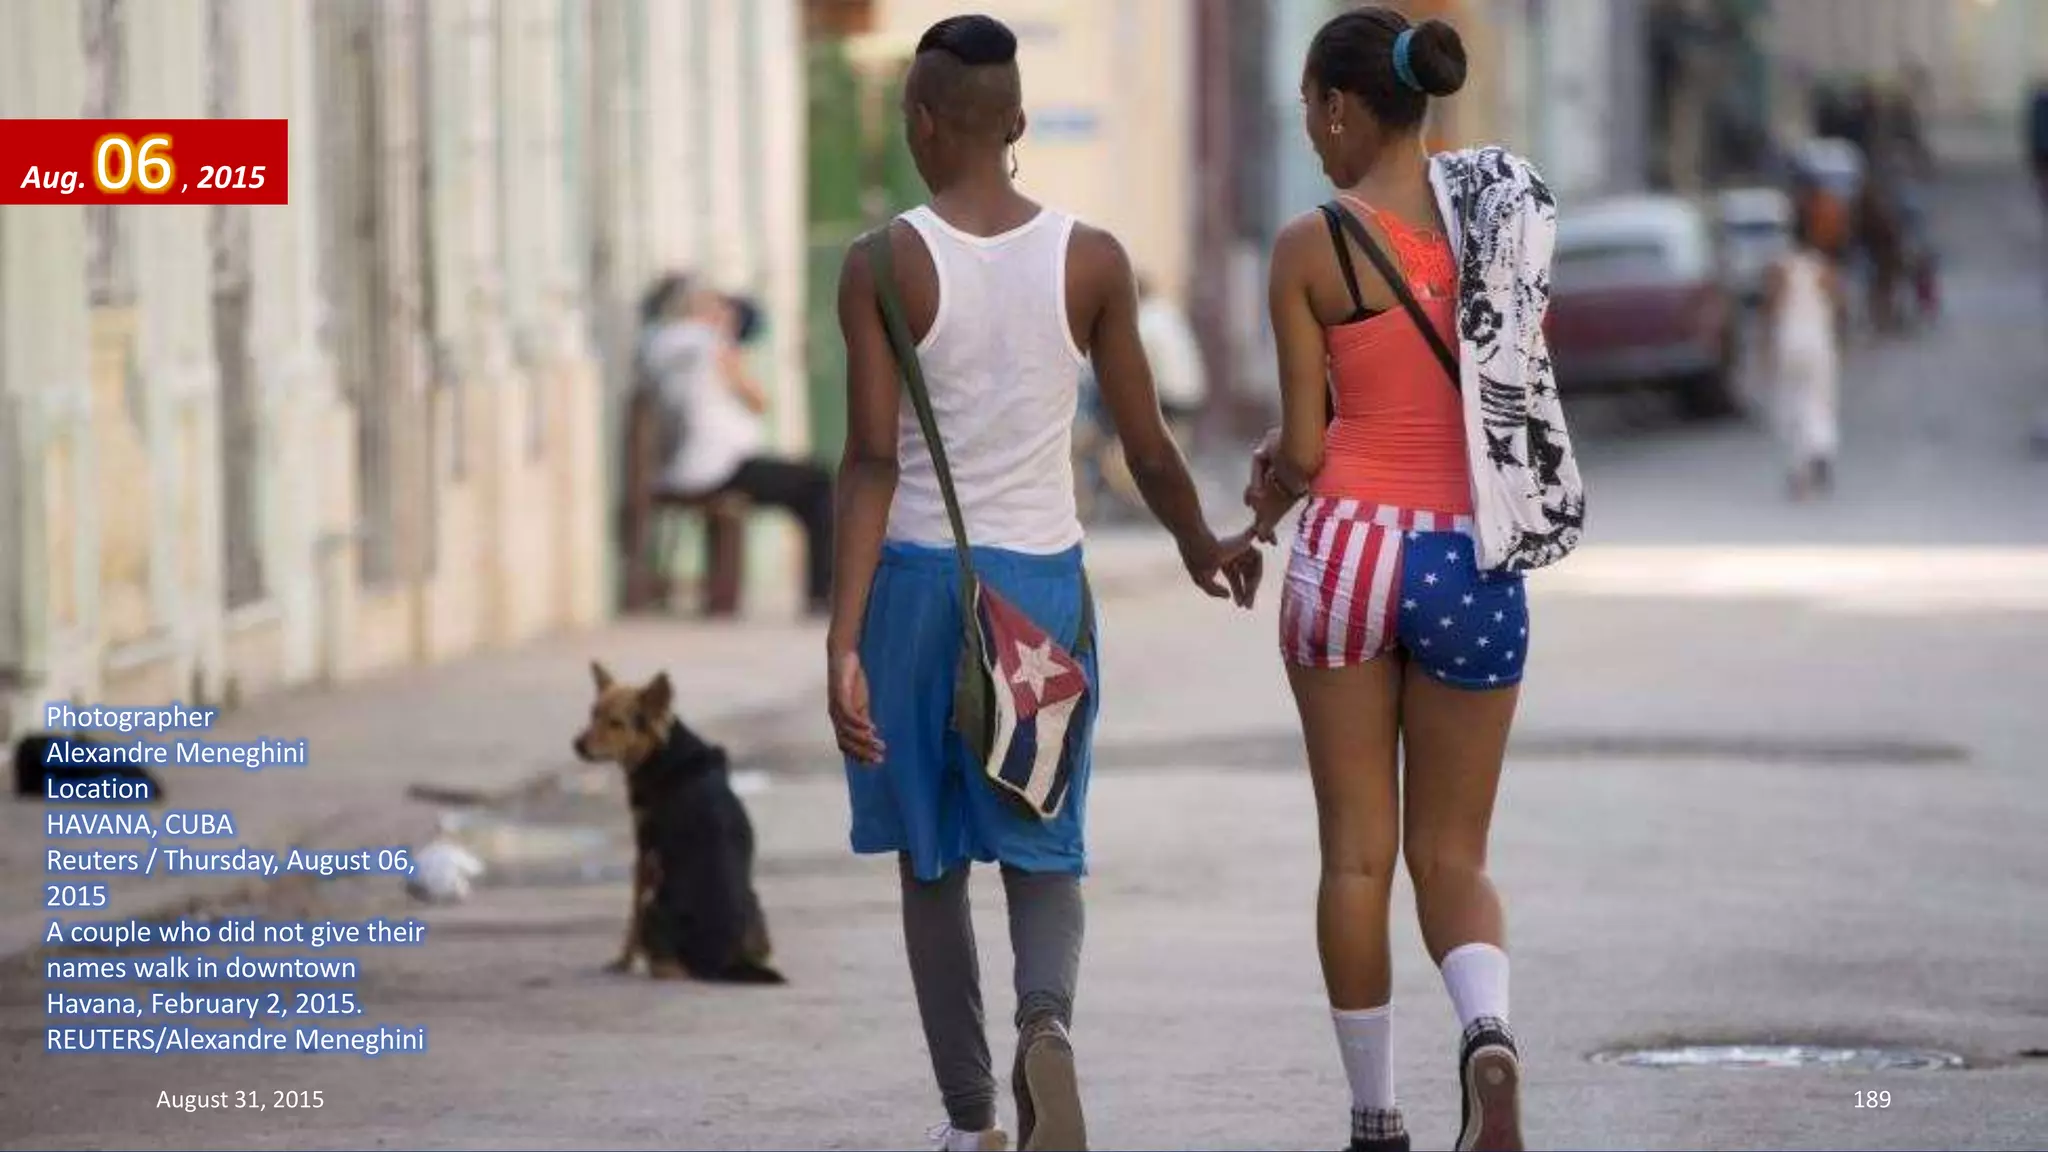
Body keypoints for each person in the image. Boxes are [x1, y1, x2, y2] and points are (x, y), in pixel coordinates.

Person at [823, 16, 1259, 1152]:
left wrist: (842, 641)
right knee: (1041, 829)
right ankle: (1046, 1023)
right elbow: (1147, 446)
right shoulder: (1093, 260)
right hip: (1040, 594)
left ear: (920, 123)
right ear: (1016, 122)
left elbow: (868, 459)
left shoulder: (880, 264)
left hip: (916, 589)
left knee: (930, 859)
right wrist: (1200, 545)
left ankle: (971, 1121)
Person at [1241, 8, 1583, 1151]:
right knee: (1453, 855)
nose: (1307, 132)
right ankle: (1485, 1035)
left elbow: (1303, 449)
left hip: (1347, 551)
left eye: (1307, 110)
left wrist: (1258, 508)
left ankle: (1374, 1116)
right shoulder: (1498, 225)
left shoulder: (1309, 247)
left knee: (1354, 855)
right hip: (1469, 560)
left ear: (1340, 107)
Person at [638, 275, 835, 613]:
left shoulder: (658, 344)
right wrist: (726, 340)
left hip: (688, 467)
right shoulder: (710, 341)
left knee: (806, 486)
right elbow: (758, 400)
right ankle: (821, 592)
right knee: (818, 481)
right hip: (722, 467)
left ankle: (820, 589)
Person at [1763, 194, 1848, 500]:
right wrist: (1842, 339)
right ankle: (1820, 449)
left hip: (1788, 339)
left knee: (1791, 402)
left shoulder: (1780, 267)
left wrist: (1765, 348)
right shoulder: (1823, 268)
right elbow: (1839, 306)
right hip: (1818, 339)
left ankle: (1799, 467)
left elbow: (1772, 309)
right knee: (1819, 400)